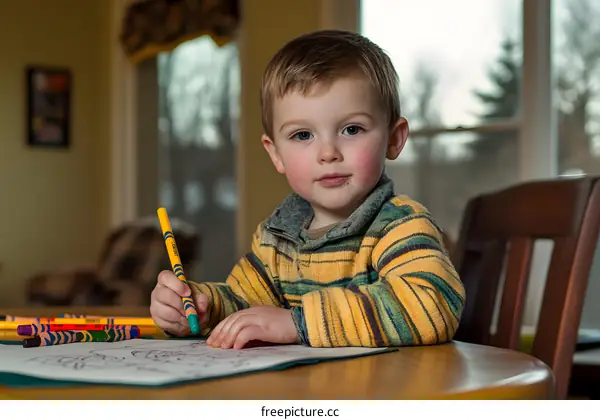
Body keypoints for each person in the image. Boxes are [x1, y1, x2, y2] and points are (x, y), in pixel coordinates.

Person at [150, 29, 465, 349]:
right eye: (303, 135)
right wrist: (203, 307)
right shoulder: (277, 238)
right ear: (276, 154)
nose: (328, 153)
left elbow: (431, 305)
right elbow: (245, 304)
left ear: (394, 139)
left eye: (351, 129)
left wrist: (296, 323)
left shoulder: (400, 225)